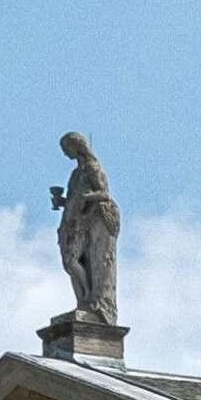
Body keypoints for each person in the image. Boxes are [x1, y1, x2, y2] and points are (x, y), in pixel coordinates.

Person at [51, 132, 120, 323]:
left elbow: (104, 194)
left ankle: (91, 300)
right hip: (73, 221)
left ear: (77, 146)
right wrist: (63, 201)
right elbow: (75, 198)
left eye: (67, 149)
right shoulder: (75, 174)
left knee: (76, 260)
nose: (65, 154)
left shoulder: (92, 167)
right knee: (70, 262)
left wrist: (85, 198)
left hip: (89, 220)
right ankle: (83, 302)